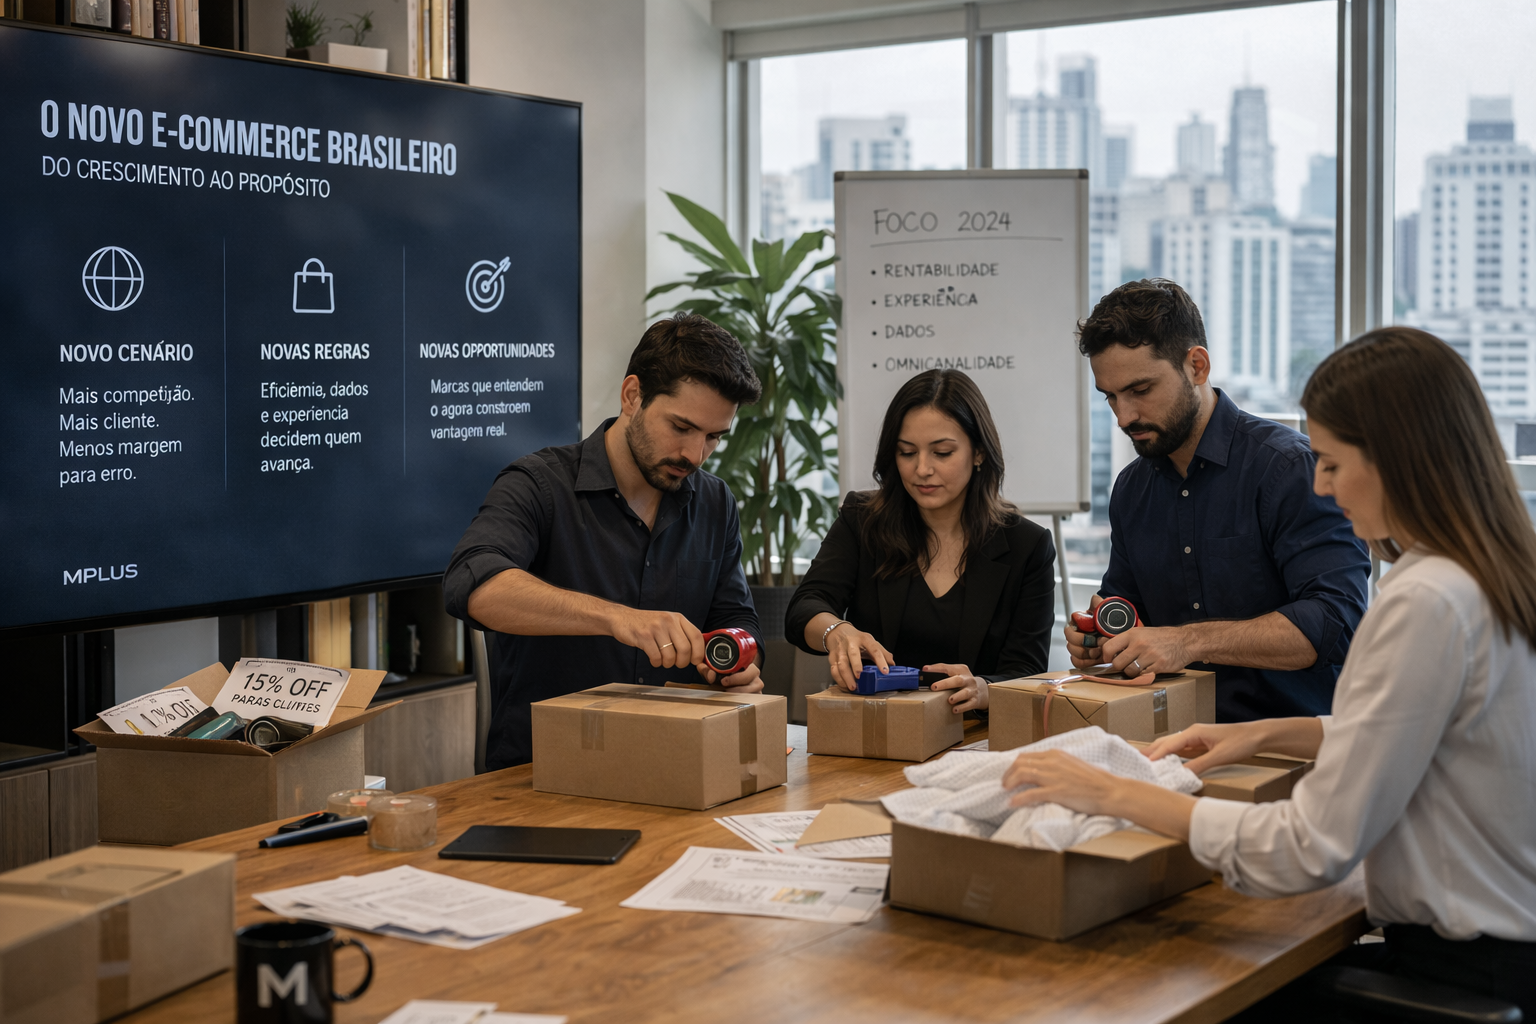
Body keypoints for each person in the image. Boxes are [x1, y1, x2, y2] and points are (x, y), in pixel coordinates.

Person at [1004, 327, 1536, 1017]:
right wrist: (1261, 736)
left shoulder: (1423, 600)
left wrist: (1112, 794)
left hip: (1456, 971)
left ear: (1402, 458)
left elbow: (1308, 849)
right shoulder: (1483, 573)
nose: (1320, 482)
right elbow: (1426, 727)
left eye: (1333, 462)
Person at [444, 313, 766, 771]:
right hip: (545, 773)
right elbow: (472, 585)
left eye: (713, 437)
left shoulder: (714, 503)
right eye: (681, 427)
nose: (695, 455)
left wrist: (737, 662)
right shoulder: (538, 485)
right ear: (632, 395)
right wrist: (617, 618)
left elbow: (738, 620)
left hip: (675, 764)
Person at [1069, 279, 1370, 721]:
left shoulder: (1288, 470)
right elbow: (1128, 616)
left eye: (1140, 390)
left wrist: (1187, 640)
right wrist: (1099, 639)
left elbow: (1335, 623)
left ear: (1197, 366)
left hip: (1291, 748)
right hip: (1170, 739)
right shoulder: (1132, 490)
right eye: (1110, 397)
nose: (1124, 416)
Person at [786, 369, 1056, 714]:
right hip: (874, 730)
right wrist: (836, 632)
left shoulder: (1026, 545)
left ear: (979, 453)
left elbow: (1027, 674)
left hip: (975, 737)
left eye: (942, 453)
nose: (922, 469)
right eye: (907, 452)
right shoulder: (862, 519)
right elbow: (804, 608)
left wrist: (985, 690)